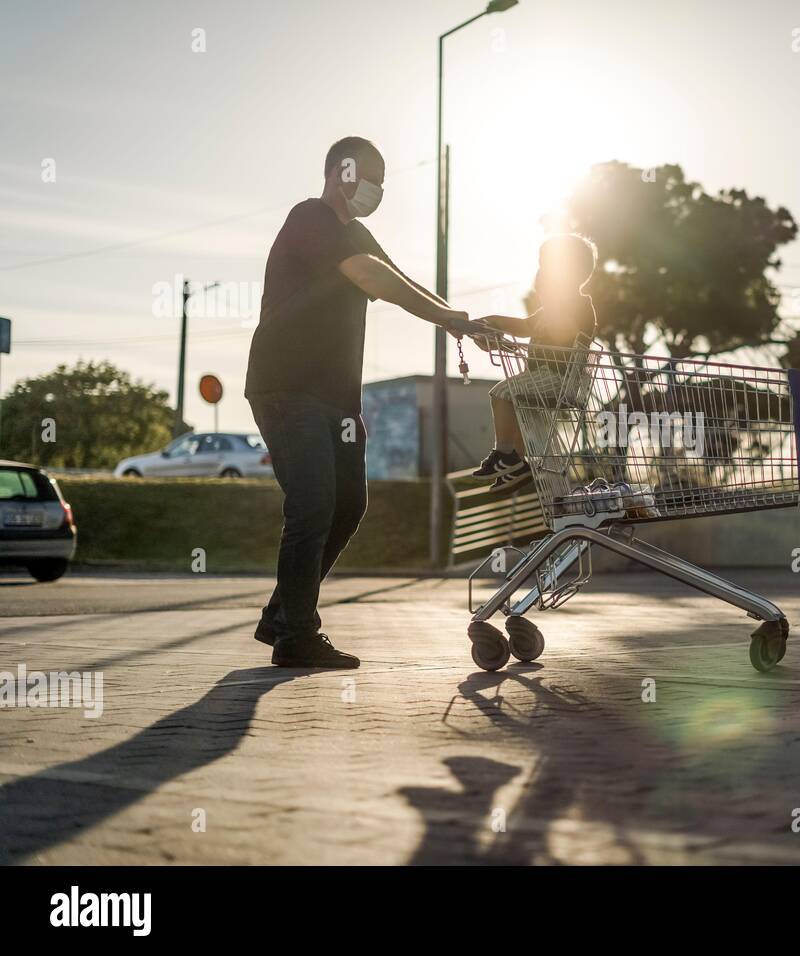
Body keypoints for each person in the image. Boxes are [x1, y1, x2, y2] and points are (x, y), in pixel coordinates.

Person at [245, 136, 471, 669]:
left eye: (383, 181)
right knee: (313, 503)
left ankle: (282, 614)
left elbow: (401, 280)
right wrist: (448, 320)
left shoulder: (358, 232)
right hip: (287, 387)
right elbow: (375, 279)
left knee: (349, 503)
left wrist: (462, 321)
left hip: (336, 399)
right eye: (372, 176)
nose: (379, 188)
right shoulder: (311, 219)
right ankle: (296, 635)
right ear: (340, 171)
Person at [469, 234, 599, 490]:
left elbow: (563, 331)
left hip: (559, 377)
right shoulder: (553, 306)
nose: (542, 272)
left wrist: (550, 300)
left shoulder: (579, 305)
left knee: (502, 393)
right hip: (544, 376)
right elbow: (526, 325)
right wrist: (492, 321)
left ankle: (506, 454)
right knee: (520, 407)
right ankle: (517, 463)